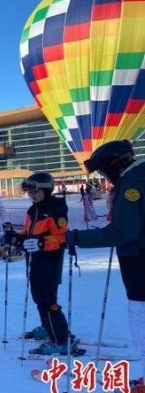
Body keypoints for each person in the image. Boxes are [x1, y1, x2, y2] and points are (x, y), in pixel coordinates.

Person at [65, 140, 145, 391]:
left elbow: (124, 231)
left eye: (102, 170)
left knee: (141, 317)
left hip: (139, 259)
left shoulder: (132, 183)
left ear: (114, 164)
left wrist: (77, 238)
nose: (102, 175)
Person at [19, 172, 83, 355]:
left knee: (47, 299)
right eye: (29, 192)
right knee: (39, 297)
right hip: (35, 260)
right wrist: (15, 237)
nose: (31, 195)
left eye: (35, 191)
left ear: (46, 190)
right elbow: (28, 232)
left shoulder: (55, 209)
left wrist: (41, 243)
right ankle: (48, 327)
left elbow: (63, 238)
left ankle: (61, 340)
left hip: (50, 260)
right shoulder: (34, 210)